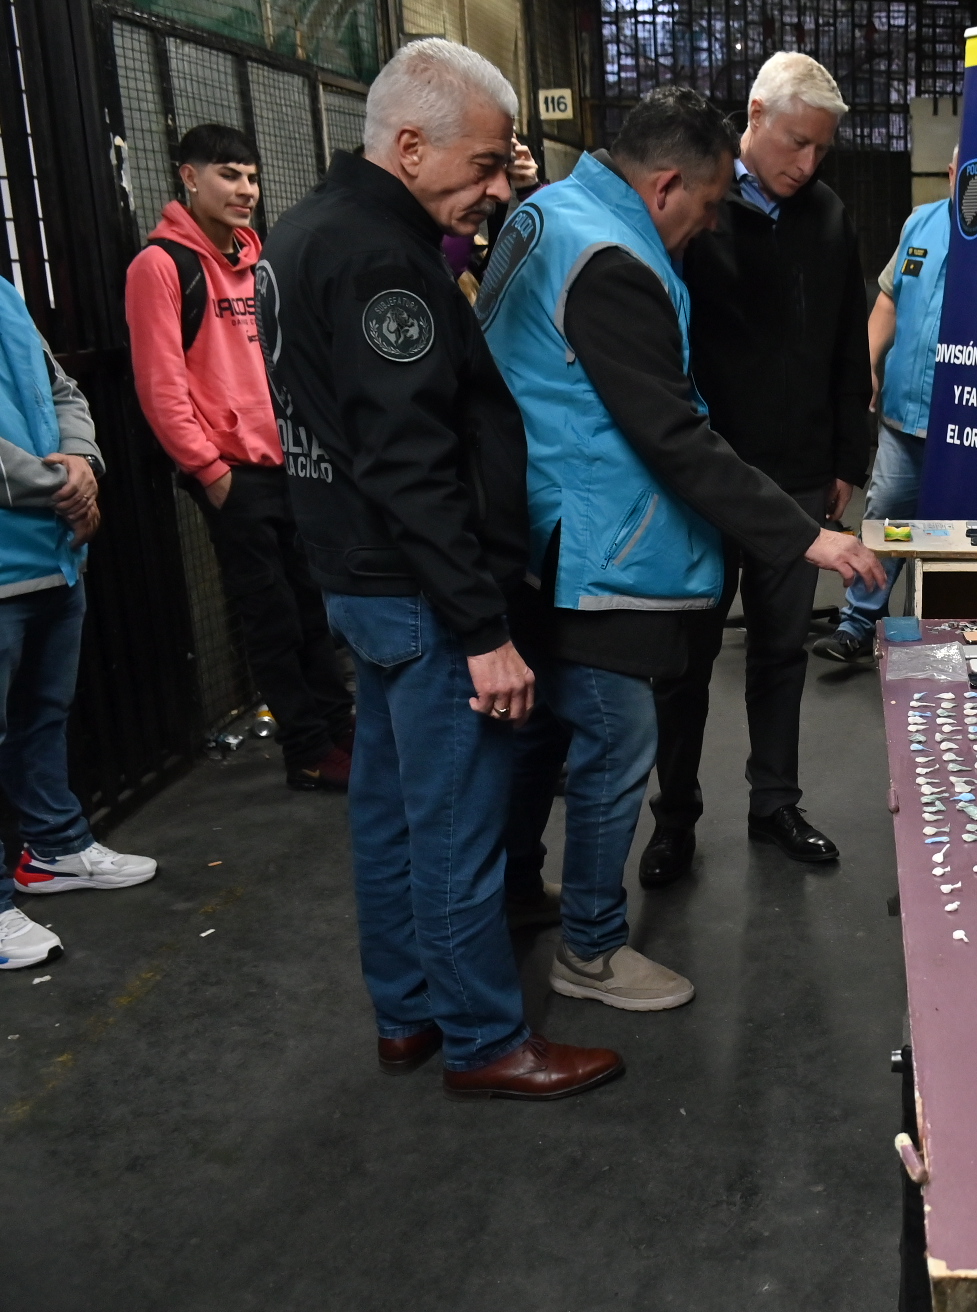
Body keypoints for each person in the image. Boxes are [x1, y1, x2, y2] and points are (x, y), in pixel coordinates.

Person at [257, 37, 618, 1099]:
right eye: (488, 164)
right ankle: (484, 1038)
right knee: (456, 818)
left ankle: (407, 1011)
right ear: (409, 146)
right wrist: (483, 629)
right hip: (417, 587)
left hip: (361, 577)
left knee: (388, 805)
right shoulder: (380, 258)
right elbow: (410, 461)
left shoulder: (306, 230)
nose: (498, 187)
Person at [478, 87, 884, 1008]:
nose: (705, 231)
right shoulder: (616, 259)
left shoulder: (549, 215)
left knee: (543, 734)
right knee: (618, 740)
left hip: (539, 531)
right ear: (665, 186)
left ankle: (515, 889)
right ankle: (591, 946)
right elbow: (670, 433)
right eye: (703, 212)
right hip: (599, 542)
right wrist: (802, 537)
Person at [647, 52, 873, 879]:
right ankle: (674, 816)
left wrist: (847, 455)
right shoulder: (692, 209)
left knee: (781, 652)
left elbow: (852, 342)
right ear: (754, 114)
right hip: (705, 481)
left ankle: (774, 802)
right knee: (685, 657)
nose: (805, 165)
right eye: (795, 143)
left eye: (821, 150)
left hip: (802, 476)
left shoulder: (828, 217)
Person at [125, 123, 354, 792]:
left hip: (290, 463)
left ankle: (342, 729)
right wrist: (210, 471)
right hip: (232, 474)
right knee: (271, 617)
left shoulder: (257, 260)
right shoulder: (161, 265)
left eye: (252, 176)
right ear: (188, 177)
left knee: (313, 607)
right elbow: (160, 386)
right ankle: (308, 750)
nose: (246, 189)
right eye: (229, 174)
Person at [0, 278, 157, 970]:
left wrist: (84, 464)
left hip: (50, 552)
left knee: (43, 714)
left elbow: (62, 389)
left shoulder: (4, 291)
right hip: (31, 533)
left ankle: (55, 849)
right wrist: (61, 485)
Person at [813, 148, 957, 664]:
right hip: (903, 415)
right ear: (951, 170)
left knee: (954, 536)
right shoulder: (921, 222)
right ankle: (857, 623)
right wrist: (866, 366)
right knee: (885, 519)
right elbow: (889, 301)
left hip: (967, 426)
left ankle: (947, 635)